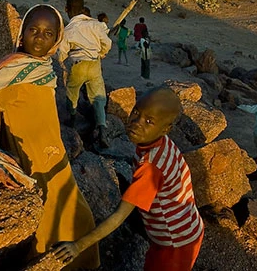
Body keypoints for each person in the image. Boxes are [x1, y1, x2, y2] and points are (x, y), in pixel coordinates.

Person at [0, 5, 100, 269]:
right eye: (33, 30)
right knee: (47, 221)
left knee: (78, 215)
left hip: (54, 155)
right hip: (31, 160)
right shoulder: (11, 71)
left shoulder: (43, 68)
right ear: (22, 34)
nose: (39, 37)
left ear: (56, 40)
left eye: (48, 33)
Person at [53, 87, 204, 271]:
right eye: (136, 112)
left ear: (166, 129)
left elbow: (118, 216)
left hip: (174, 244)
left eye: (149, 121)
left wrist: (78, 246)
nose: (136, 123)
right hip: (187, 226)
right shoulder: (160, 143)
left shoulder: (151, 166)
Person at [56, 0, 112, 148]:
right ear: (83, 8)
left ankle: (73, 121)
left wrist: (61, 62)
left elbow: (62, 53)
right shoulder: (95, 25)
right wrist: (101, 53)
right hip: (94, 63)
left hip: (78, 64)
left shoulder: (68, 30)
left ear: (66, 9)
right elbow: (107, 43)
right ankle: (102, 129)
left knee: (72, 92)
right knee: (98, 96)